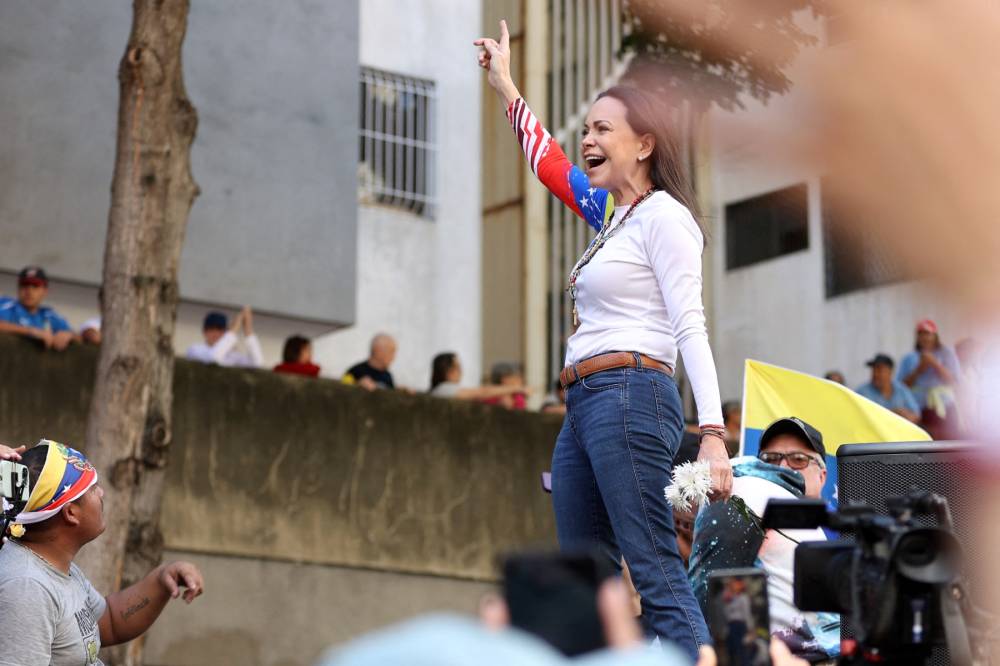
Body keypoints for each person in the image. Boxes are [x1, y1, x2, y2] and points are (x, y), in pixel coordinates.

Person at [477, 21, 731, 659]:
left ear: (645, 144)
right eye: (586, 128)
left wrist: (713, 433)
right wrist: (506, 84)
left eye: (602, 130)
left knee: (651, 566)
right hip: (584, 405)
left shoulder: (665, 218)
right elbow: (549, 165)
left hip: (633, 394)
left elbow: (690, 326)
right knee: (582, 579)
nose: (587, 139)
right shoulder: (612, 219)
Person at [0, 440, 204, 665]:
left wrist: (163, 578)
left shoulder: (56, 567)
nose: (102, 493)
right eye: (92, 488)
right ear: (71, 513)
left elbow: (111, 622)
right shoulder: (27, 587)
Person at [688, 417, 840, 661]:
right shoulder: (746, 493)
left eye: (798, 460)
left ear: (822, 476)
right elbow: (707, 604)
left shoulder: (838, 532)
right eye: (770, 459)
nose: (783, 466)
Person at [897, 319, 961, 438]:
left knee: (950, 443)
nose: (924, 337)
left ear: (935, 335)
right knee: (926, 442)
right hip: (920, 409)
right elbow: (901, 387)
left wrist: (935, 364)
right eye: (921, 334)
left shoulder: (947, 354)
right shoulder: (909, 358)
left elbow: (955, 382)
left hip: (944, 406)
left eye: (928, 333)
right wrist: (919, 370)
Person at [0, 266, 76, 351]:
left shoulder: (48, 314)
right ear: (18, 288)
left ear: (45, 291)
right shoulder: (7, 305)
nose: (29, 291)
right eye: (25, 285)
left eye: (35, 286)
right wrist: (31, 331)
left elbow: (79, 337)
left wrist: (69, 335)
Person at [429, 352, 529, 402]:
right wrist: (516, 388)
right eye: (457, 368)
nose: (460, 372)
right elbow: (480, 392)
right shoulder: (444, 389)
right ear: (447, 371)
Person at [185, 307, 264, 368]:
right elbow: (213, 359)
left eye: (219, 329)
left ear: (224, 333)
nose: (215, 334)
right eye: (211, 329)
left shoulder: (232, 355)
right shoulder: (195, 349)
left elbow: (257, 363)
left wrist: (248, 330)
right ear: (204, 332)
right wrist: (233, 330)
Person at [855, 353, 920, 423]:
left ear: (890, 372)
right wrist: (893, 414)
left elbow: (916, 414)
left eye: (879, 370)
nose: (875, 374)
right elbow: (861, 417)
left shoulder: (901, 389)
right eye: (873, 370)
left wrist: (907, 416)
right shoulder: (862, 392)